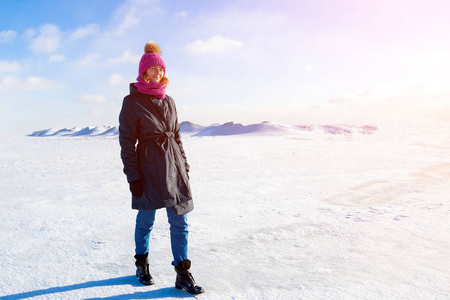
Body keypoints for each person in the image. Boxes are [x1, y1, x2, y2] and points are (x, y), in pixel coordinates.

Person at [118, 41, 204, 295]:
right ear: (143, 72)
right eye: (154, 69)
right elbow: (126, 140)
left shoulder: (170, 101)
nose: (159, 73)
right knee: (146, 220)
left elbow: (176, 136)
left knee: (180, 222)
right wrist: (133, 176)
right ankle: (141, 265)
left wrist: (184, 166)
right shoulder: (131, 101)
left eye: (161, 69)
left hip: (174, 168)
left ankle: (182, 272)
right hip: (148, 168)